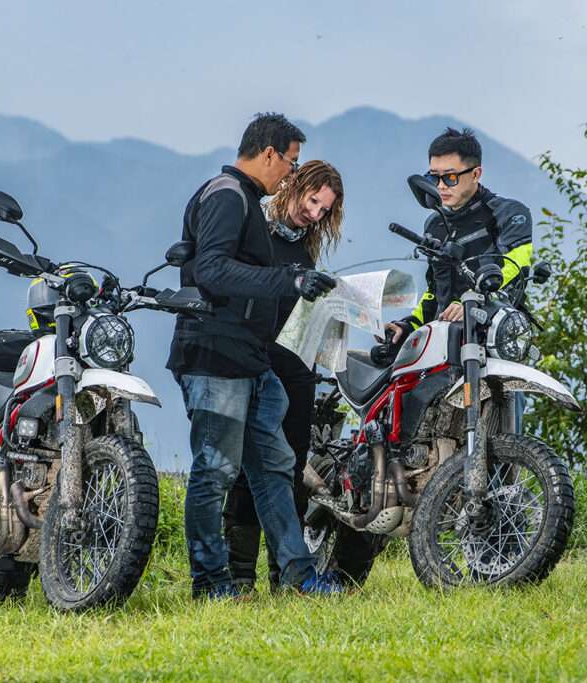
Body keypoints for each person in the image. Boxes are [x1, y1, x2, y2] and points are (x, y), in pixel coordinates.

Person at [166, 113, 341, 599]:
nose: (291, 172)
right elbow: (213, 270)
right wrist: (291, 280)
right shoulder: (226, 194)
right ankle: (211, 583)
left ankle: (299, 576)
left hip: (251, 361)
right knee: (216, 471)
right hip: (215, 355)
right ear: (269, 154)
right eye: (290, 161)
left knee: (275, 468)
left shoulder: (246, 201)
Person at [222, 161, 385, 592]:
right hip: (257, 362)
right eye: (313, 202)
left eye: (324, 210)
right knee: (244, 469)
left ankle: (285, 576)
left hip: (298, 367)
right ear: (293, 185)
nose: (315, 214)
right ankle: (239, 575)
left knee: (291, 468)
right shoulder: (257, 232)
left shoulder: (306, 247)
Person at [385, 127, 533, 342]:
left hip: (495, 336)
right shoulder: (435, 224)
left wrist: (472, 300)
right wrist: (409, 325)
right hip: (444, 339)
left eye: (451, 177)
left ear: (476, 174)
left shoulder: (508, 213)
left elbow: (514, 267)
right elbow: (435, 292)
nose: (441, 186)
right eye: (434, 177)